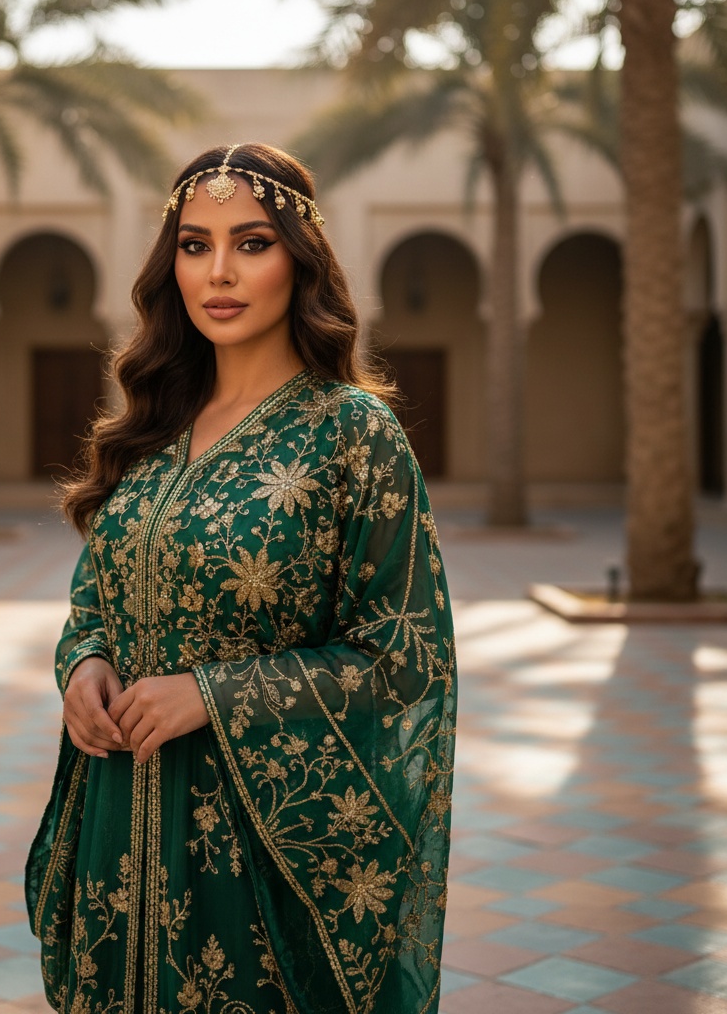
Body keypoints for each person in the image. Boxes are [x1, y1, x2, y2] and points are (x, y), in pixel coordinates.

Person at [25, 143, 456, 1014]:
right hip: (119, 818)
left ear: (301, 261)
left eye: (252, 243)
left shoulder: (351, 433)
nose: (219, 271)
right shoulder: (151, 428)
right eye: (194, 245)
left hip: (258, 856)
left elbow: (405, 658)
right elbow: (94, 601)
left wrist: (213, 696)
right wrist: (85, 666)